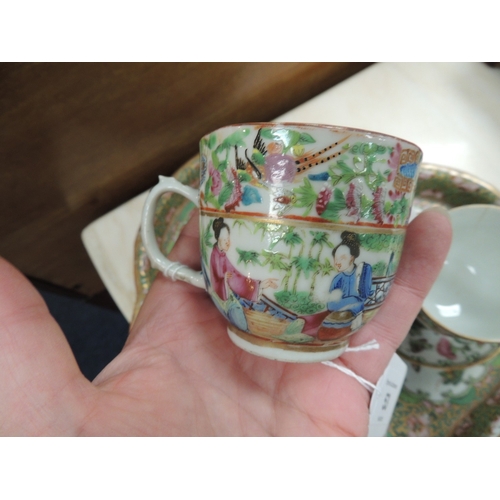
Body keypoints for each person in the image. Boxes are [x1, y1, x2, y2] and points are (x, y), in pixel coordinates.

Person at [0, 207, 451, 436]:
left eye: (341, 254)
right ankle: (288, 318)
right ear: (220, 235)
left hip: (335, 315)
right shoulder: (216, 254)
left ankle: (294, 320)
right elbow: (226, 275)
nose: (339, 258)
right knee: (288, 308)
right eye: (228, 234)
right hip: (242, 298)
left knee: (301, 311)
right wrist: (250, 286)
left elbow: (347, 295)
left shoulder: (364, 270)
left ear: (350, 255)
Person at [209, 217, 277, 303]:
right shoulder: (215, 254)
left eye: (228, 239)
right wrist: (225, 277)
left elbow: (233, 270)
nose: (227, 242)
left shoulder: (222, 254)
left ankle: (258, 286)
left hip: (231, 278)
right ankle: (258, 287)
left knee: (240, 279)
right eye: (224, 239)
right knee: (236, 281)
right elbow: (218, 275)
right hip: (222, 283)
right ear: (218, 239)